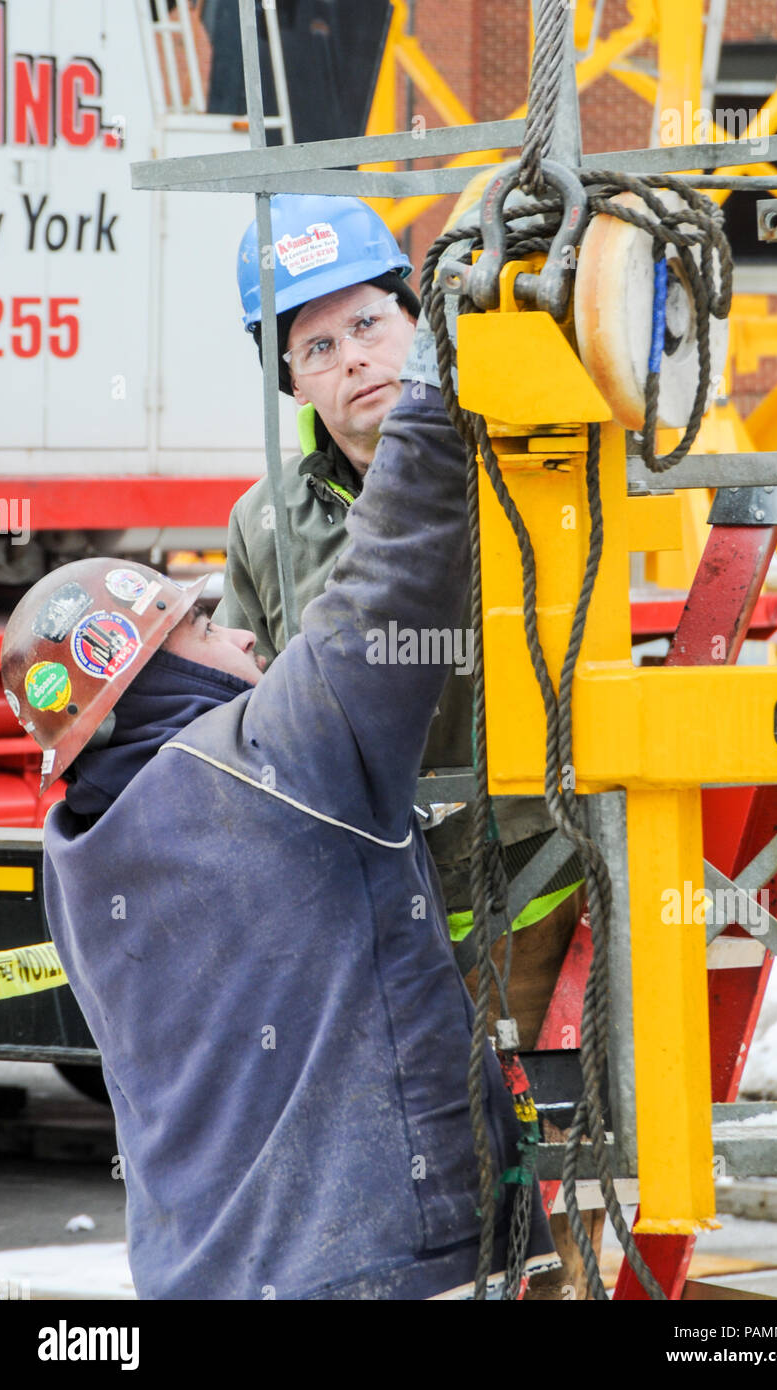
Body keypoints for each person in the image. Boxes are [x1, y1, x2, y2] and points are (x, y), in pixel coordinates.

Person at [1, 339, 559, 1297]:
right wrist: (428, 373)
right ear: (155, 677)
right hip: (382, 1266)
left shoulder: (76, 860)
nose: (245, 630)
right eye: (204, 628)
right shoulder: (271, 759)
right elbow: (391, 579)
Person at [218, 194, 583, 995]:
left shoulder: (518, 461)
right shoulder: (263, 521)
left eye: (365, 326)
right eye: (316, 346)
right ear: (291, 383)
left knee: (526, 1108)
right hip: (359, 895)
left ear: (415, 323)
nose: (350, 358)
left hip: (528, 880)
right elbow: (236, 695)